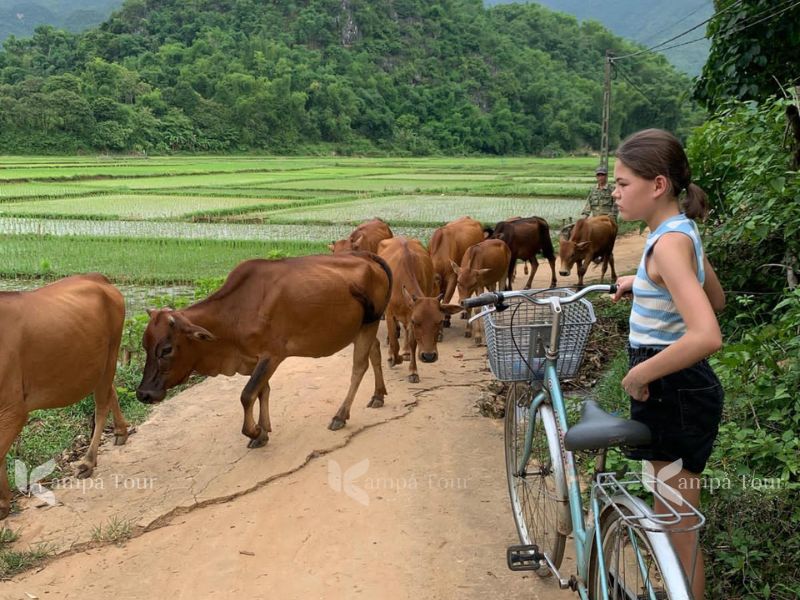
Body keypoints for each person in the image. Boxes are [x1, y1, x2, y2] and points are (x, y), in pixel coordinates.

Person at [611, 128, 725, 599]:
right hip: (682, 389)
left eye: (622, 183)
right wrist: (647, 282)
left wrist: (640, 373)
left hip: (671, 388)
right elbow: (713, 297)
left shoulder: (667, 245)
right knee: (671, 516)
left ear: (657, 185)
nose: (613, 191)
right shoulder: (679, 232)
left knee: (677, 527)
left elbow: (706, 334)